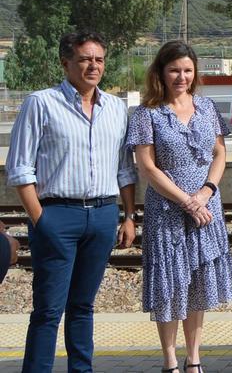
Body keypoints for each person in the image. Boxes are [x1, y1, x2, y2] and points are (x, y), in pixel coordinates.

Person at [7, 31, 137, 373]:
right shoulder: (41, 103)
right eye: (84, 59)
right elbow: (20, 169)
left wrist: (128, 216)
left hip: (103, 215)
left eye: (99, 59)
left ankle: (82, 369)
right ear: (66, 63)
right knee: (49, 309)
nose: (93, 66)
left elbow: (125, 169)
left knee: (83, 306)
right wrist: (41, 219)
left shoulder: (116, 109)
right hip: (57, 215)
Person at [127, 41, 232, 372]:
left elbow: (220, 153)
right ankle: (170, 361)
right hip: (168, 212)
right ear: (161, 72)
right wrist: (187, 201)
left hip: (206, 209)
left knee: (198, 285)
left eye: (187, 70)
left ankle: (193, 359)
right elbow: (147, 167)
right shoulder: (147, 114)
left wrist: (206, 191)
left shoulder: (206, 107)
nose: (182, 76)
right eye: (174, 69)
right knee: (171, 285)